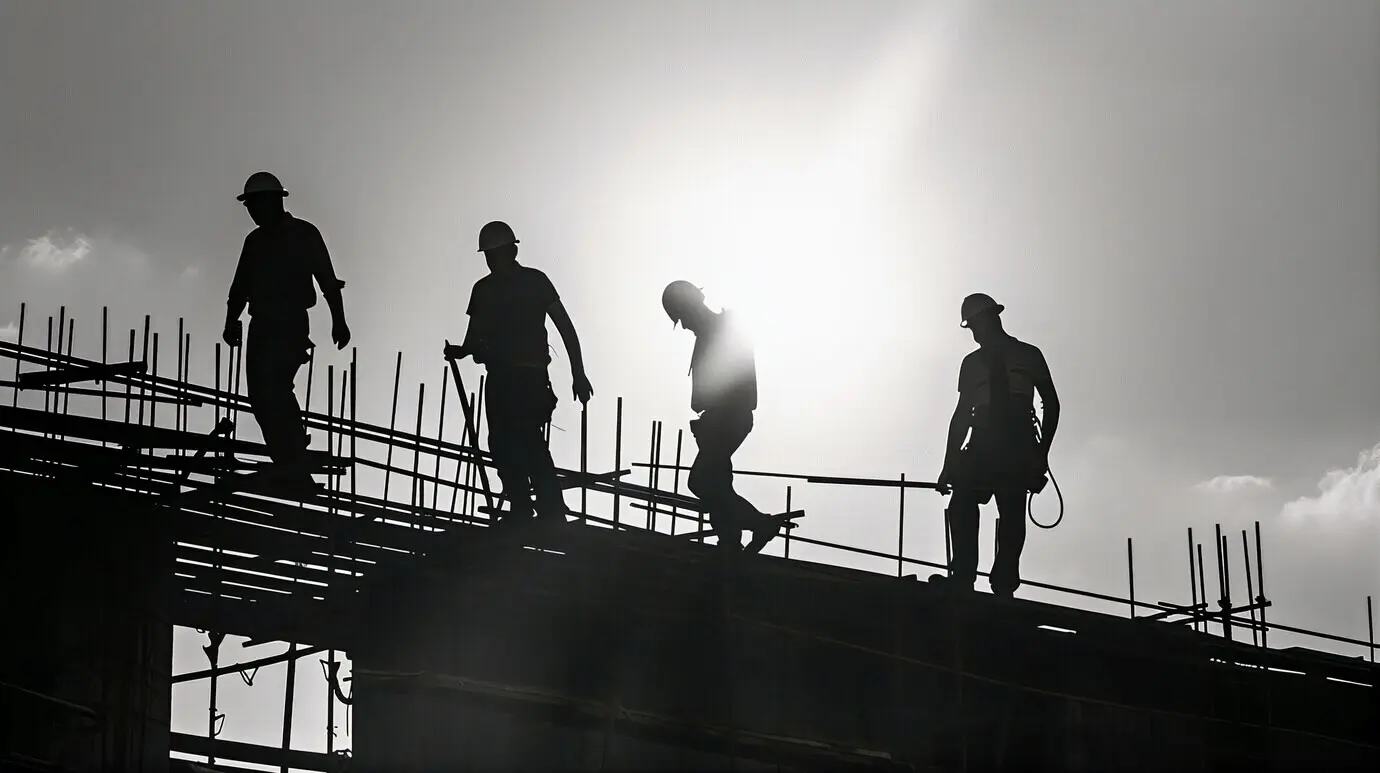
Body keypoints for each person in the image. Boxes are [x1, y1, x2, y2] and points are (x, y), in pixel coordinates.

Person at [444, 220, 593, 525]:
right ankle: (521, 508)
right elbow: (473, 338)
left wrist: (578, 374)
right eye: (489, 255)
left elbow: (565, 327)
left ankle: (551, 512)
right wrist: (461, 351)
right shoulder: (483, 289)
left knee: (527, 442)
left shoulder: (535, 282)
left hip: (530, 378)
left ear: (511, 251)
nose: (492, 259)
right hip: (500, 379)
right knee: (500, 444)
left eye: (496, 253)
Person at [223, 171, 350, 484]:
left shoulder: (303, 234)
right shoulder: (254, 242)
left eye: (255, 205)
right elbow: (240, 286)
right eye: (249, 207)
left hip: (290, 322)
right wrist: (230, 320)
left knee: (276, 386)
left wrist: (339, 320)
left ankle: (293, 450)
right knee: (259, 394)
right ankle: (285, 455)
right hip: (262, 322)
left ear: (272, 201)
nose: (252, 213)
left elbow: (327, 279)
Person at [936, 293, 1059, 597]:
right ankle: (963, 577)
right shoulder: (972, 364)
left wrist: (1041, 453)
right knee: (963, 500)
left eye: (975, 327)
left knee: (1012, 511)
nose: (974, 334)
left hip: (1017, 442)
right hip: (984, 440)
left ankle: (1003, 582)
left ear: (990, 320)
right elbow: (962, 414)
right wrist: (949, 463)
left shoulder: (1028, 355)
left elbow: (1051, 403)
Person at [661, 281, 779, 554]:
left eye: (684, 317)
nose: (686, 326)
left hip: (728, 417)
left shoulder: (724, 330)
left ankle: (759, 523)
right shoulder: (714, 333)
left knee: (700, 481)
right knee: (717, 483)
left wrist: (713, 412)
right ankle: (729, 542)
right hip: (722, 418)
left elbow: (735, 382)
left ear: (690, 306)